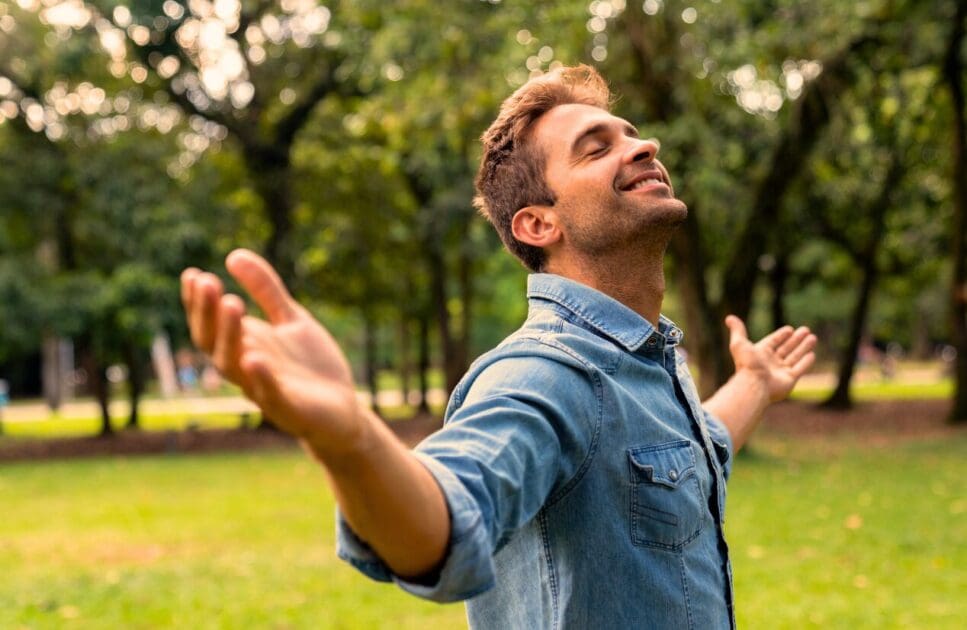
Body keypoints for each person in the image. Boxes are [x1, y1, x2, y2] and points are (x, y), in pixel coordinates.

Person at [180, 65, 816, 629]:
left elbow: (688, 452)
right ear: (540, 223)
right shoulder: (546, 376)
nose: (643, 145)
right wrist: (349, 439)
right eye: (596, 149)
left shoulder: (642, 362)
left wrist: (755, 383)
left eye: (631, 134)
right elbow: (445, 521)